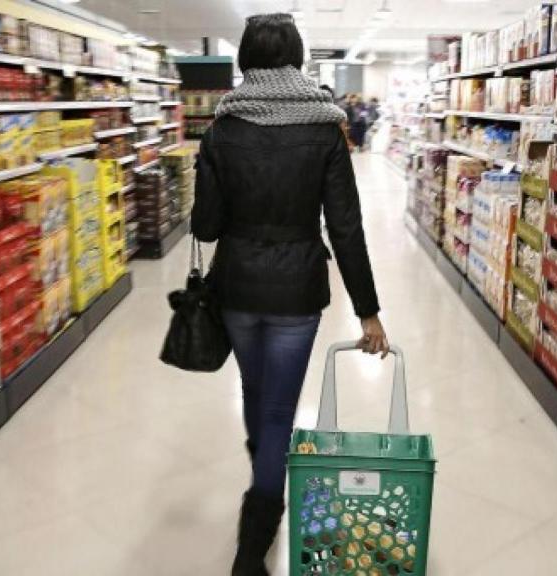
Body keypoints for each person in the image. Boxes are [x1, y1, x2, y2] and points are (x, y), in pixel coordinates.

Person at [191, 12, 388, 576]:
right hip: (297, 289)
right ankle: (252, 543)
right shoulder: (325, 125)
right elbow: (345, 226)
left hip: (237, 286)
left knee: (257, 396)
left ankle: (263, 480)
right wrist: (368, 310)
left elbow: (205, 226)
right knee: (277, 409)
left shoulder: (222, 127)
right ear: (297, 59)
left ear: (245, 61)